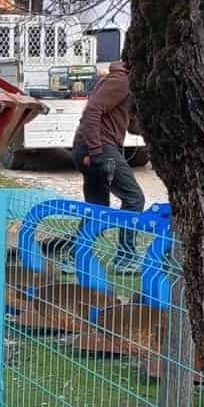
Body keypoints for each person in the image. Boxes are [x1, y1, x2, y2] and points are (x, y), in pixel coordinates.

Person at [49, 60, 146, 272]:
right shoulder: (122, 81)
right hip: (100, 149)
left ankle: (74, 258)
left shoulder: (117, 82)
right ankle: (126, 257)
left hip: (87, 149)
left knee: (97, 208)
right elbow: (92, 111)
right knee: (134, 198)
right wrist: (96, 151)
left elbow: (129, 124)